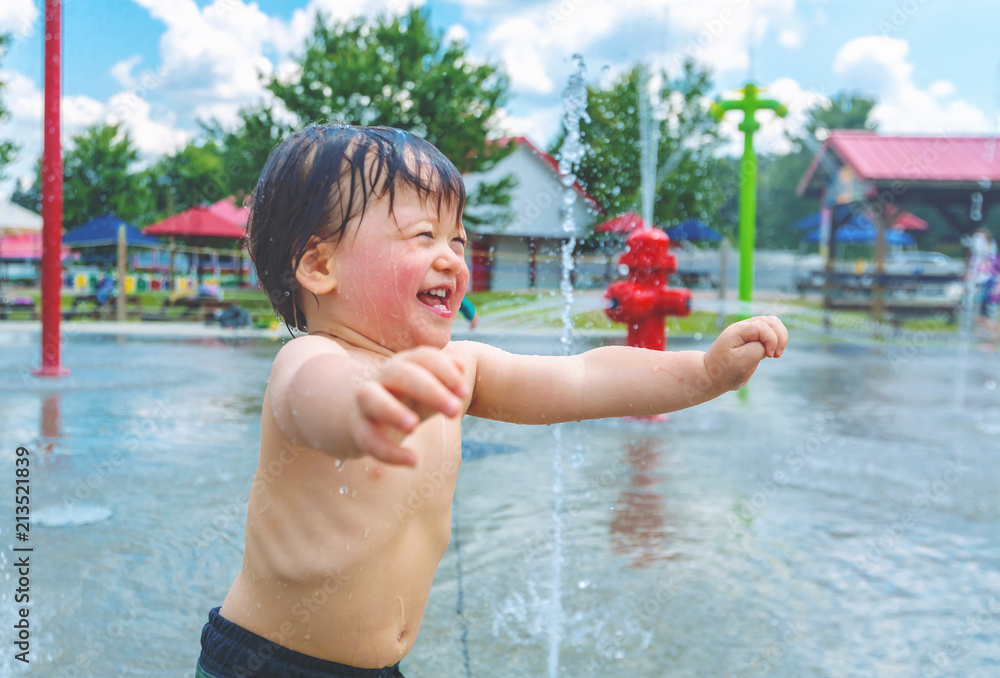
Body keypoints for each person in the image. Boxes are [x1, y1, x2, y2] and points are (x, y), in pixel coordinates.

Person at [195, 125, 788, 678]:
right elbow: (316, 403)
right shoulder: (314, 360)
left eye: (457, 237)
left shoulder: (462, 367)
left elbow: (584, 378)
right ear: (321, 265)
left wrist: (704, 373)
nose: (454, 257)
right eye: (423, 235)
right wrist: (368, 409)